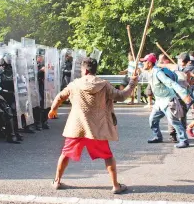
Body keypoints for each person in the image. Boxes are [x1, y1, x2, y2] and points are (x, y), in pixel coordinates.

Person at [48, 57, 138, 193]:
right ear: (95, 70)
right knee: (107, 156)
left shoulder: (75, 84)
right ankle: (115, 186)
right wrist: (132, 84)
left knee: (65, 154)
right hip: (97, 128)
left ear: (84, 70)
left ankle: (57, 181)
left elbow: (60, 97)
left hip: (76, 128)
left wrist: (53, 109)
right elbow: (121, 96)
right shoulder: (104, 84)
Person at [142, 53, 193, 148]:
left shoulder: (158, 73)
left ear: (149, 63)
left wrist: (184, 94)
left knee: (174, 121)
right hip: (159, 101)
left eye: (144, 62)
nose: (143, 64)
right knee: (152, 119)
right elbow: (141, 73)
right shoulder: (150, 72)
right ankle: (157, 136)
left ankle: (184, 140)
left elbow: (171, 83)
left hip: (168, 100)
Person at [0, 52, 23, 144]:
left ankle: (16, 133)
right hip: (1, 95)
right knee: (9, 113)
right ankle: (11, 135)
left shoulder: (13, 71)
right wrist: (5, 91)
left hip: (11, 95)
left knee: (15, 112)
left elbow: (18, 82)